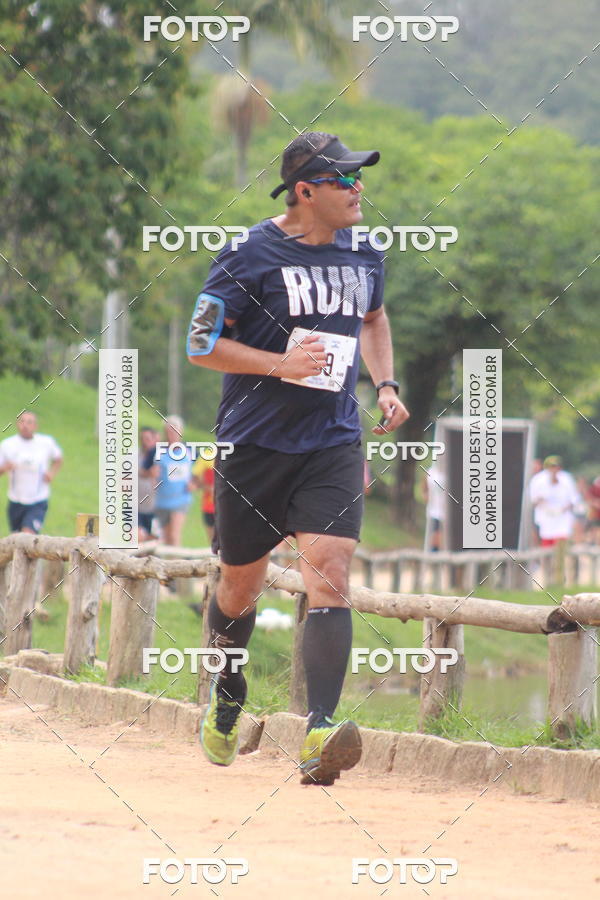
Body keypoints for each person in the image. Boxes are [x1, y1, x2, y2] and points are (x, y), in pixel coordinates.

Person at [187, 131, 409, 785]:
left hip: (332, 441)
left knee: (331, 574)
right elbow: (201, 343)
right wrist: (277, 363)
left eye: (360, 177)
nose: (359, 189)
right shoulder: (247, 254)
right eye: (345, 180)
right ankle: (228, 695)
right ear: (306, 192)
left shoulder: (365, 251)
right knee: (240, 586)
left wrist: (385, 384)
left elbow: (373, 318)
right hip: (253, 446)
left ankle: (319, 732)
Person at [0, 411, 62, 534]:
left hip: (38, 500)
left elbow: (58, 458)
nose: (25, 425)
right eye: (22, 421)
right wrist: (5, 467)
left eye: (29, 422)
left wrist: (51, 473)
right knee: (16, 540)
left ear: (35, 426)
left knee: (27, 535)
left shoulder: (46, 443)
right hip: (15, 500)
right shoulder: (7, 445)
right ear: (17, 424)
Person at [143, 415, 192, 547]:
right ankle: (170, 559)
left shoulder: (190, 451)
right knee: (165, 537)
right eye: (169, 431)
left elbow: (201, 471)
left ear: (181, 432)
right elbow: (144, 471)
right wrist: (151, 475)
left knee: (174, 535)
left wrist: (195, 483)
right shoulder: (157, 451)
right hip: (162, 501)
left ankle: (177, 560)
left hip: (181, 499)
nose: (172, 435)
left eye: (175, 431)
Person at [529, 455, 579, 547]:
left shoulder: (566, 478)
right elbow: (533, 499)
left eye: (556, 466)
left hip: (562, 517)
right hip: (545, 516)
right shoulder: (538, 479)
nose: (554, 469)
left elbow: (574, 498)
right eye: (552, 466)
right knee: (546, 543)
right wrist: (541, 502)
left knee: (561, 543)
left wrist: (564, 509)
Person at [138, 427, 158, 541]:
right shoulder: (133, 456)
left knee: (153, 540)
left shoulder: (162, 458)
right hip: (135, 506)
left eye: (147, 439)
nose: (144, 442)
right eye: (142, 439)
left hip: (155, 508)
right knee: (137, 537)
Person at [191, 456, 216, 545]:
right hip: (209, 505)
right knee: (212, 539)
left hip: (226, 506)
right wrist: (208, 488)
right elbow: (195, 477)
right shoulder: (207, 455)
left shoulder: (231, 454)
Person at [423, 462, 446, 551]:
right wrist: (427, 496)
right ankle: (434, 552)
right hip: (435, 512)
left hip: (447, 513)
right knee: (435, 536)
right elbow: (424, 490)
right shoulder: (431, 472)